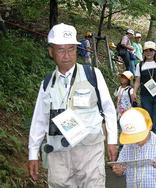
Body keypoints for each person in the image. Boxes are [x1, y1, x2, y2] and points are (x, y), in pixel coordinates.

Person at [28, 23, 118, 188]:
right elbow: (39, 120)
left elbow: (108, 110)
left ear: (77, 50)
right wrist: (32, 154)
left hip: (90, 150)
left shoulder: (93, 75)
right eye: (61, 50)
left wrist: (112, 140)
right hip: (58, 155)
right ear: (51, 52)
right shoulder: (47, 84)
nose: (67, 55)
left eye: (71, 49)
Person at [112, 107, 156, 188]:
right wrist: (119, 170)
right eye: (132, 137)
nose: (136, 140)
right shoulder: (127, 146)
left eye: (138, 136)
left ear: (148, 127)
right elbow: (121, 168)